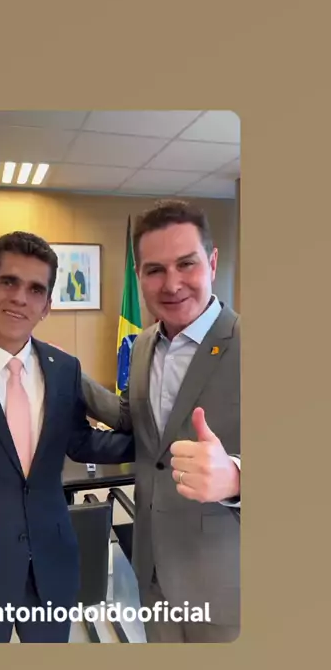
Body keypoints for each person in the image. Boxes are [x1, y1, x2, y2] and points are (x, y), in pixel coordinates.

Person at [0, 231, 134, 643]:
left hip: (50, 565)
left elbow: (80, 441)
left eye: (35, 289)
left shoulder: (63, 367)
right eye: (8, 282)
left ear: (47, 306)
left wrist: (160, 446)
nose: (20, 298)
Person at [81, 200, 240, 643]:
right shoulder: (144, 343)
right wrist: (68, 374)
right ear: (138, 275)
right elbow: (138, 421)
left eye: (186, 264)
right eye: (154, 270)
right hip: (152, 575)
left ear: (212, 263)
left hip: (226, 587)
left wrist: (237, 478)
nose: (171, 284)